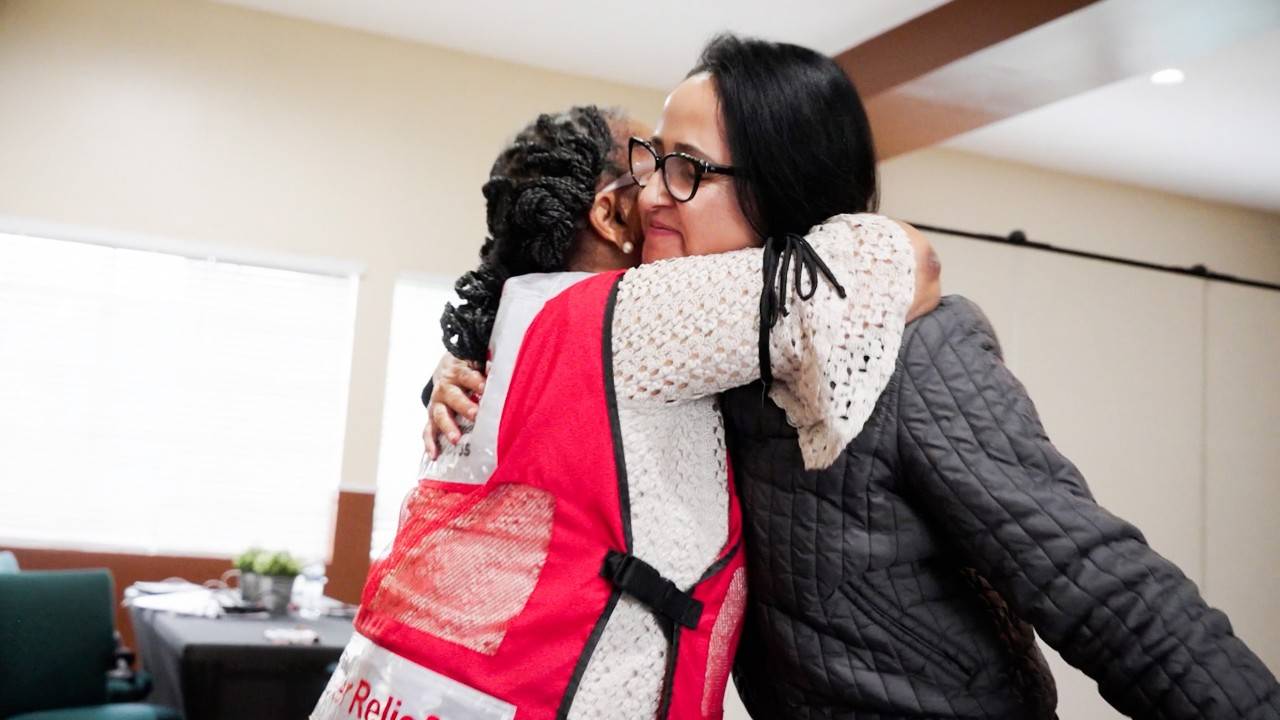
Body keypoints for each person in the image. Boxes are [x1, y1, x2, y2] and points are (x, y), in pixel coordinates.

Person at [428, 35, 1280, 720]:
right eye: (652, 156)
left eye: (685, 166)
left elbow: (1101, 585)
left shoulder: (912, 353)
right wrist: (452, 375)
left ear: (779, 192)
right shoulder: (688, 358)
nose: (650, 190)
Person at [316, 101, 937, 720]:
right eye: (648, 168)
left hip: (381, 692)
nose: (666, 189)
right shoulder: (637, 312)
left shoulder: (499, 328)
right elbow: (893, 269)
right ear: (611, 214)